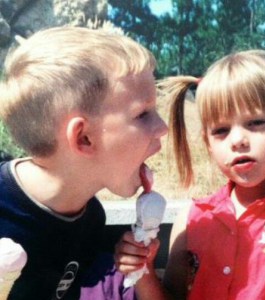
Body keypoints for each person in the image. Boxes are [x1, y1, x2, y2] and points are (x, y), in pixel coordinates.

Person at [115, 50, 265, 300]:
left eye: (255, 123)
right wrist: (142, 269)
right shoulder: (193, 220)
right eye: (221, 130)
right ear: (208, 143)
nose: (237, 140)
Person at [0, 26, 168, 300]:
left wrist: (137, 264)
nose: (162, 127)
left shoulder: (90, 220)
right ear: (84, 138)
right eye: (143, 114)